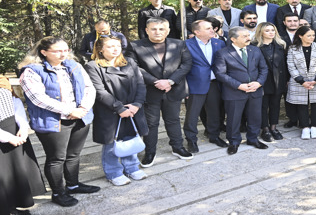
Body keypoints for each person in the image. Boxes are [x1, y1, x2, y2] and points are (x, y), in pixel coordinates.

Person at [18, 37, 99, 207]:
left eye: (66, 49)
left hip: (79, 117)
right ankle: (58, 192)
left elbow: (89, 88)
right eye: (57, 51)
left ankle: (73, 184)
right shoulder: (32, 71)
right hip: (53, 121)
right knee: (56, 158)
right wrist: (70, 111)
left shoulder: (74, 66)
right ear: (44, 52)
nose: (63, 54)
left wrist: (82, 108)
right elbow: (38, 98)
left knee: (73, 155)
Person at [126, 17, 193, 166]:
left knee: (173, 120)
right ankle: (150, 152)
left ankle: (177, 147)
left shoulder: (179, 44)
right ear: (146, 30)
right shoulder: (135, 46)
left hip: (173, 89)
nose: (157, 32)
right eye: (154, 29)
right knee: (151, 123)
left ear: (168, 30)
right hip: (150, 91)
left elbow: (186, 64)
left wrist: (170, 81)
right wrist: (156, 82)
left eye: (161, 29)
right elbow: (134, 67)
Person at [85, 36, 149, 186]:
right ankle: (113, 172)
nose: (115, 49)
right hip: (110, 110)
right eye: (110, 46)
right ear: (100, 49)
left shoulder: (130, 62)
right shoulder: (93, 66)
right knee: (112, 142)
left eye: (117, 46)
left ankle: (132, 168)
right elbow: (99, 91)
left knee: (131, 138)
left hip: (133, 108)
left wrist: (137, 104)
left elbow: (141, 84)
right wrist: (119, 108)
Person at [213, 26, 269, 155]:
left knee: (255, 117)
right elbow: (221, 74)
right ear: (233, 39)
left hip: (255, 90)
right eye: (244, 36)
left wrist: (259, 83)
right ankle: (233, 142)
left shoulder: (255, 50)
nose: (248, 38)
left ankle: (253, 139)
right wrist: (239, 85)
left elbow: (264, 68)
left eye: (248, 35)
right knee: (233, 119)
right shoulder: (223, 53)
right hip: (234, 92)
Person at [0, 77, 45, 215]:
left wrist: (23, 127)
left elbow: (15, 102)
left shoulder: (2, 80)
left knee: (12, 174)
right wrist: (7, 137)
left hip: (14, 131)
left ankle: (11, 209)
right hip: (5, 136)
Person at [183, 20, 228, 153]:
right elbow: (181, 67)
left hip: (214, 83)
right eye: (208, 28)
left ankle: (214, 136)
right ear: (197, 32)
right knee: (192, 114)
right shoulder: (185, 45)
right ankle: (191, 140)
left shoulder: (219, 43)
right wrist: (184, 88)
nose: (212, 30)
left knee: (214, 112)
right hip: (194, 85)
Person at [286, 26, 316, 139]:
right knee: (302, 105)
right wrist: (301, 81)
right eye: (308, 35)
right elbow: (291, 65)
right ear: (300, 36)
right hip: (299, 81)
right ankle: (305, 128)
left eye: (313, 35)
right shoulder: (292, 49)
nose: (312, 38)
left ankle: (314, 127)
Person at [252, 22, 288, 142]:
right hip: (262, 80)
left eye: (273, 30)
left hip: (278, 80)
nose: (271, 32)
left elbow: (285, 64)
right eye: (267, 30)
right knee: (263, 106)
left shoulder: (281, 45)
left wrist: (286, 80)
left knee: (275, 105)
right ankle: (265, 129)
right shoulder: (254, 46)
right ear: (260, 32)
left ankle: (274, 127)